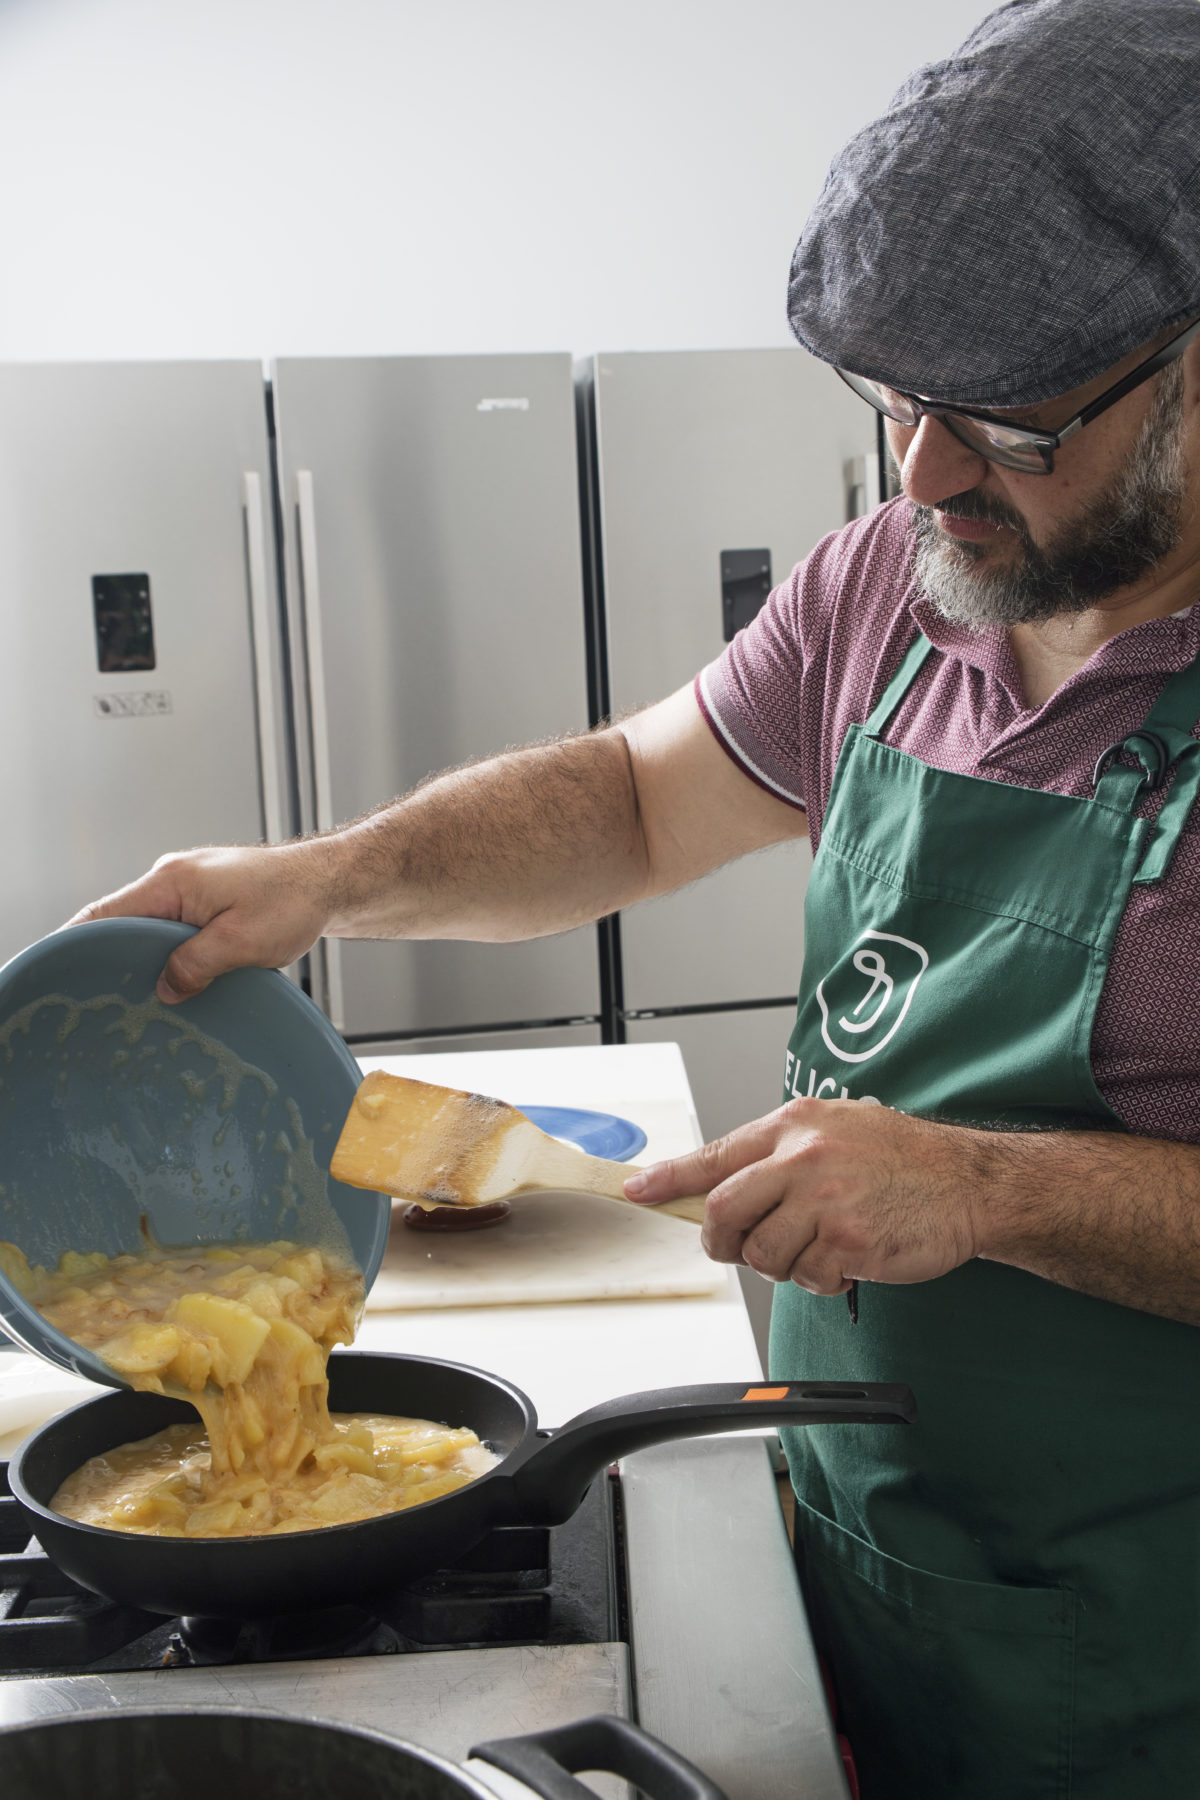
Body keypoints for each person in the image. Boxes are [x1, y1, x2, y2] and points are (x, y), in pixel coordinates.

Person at [71, 1, 1200, 1792]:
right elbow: (630, 805)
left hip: (1155, 1644)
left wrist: (984, 1186)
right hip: (877, 1539)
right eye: (895, 402)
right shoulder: (891, 586)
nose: (919, 475)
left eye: (998, 419)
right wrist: (329, 881)